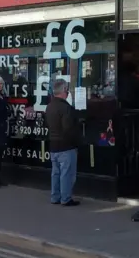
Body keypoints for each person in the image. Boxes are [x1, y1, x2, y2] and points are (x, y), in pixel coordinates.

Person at [46, 79, 81, 207]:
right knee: (67, 174)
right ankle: (66, 198)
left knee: (55, 173)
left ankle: (55, 196)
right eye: (67, 91)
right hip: (66, 146)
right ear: (64, 91)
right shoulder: (66, 108)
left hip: (53, 144)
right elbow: (68, 128)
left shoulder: (49, 106)